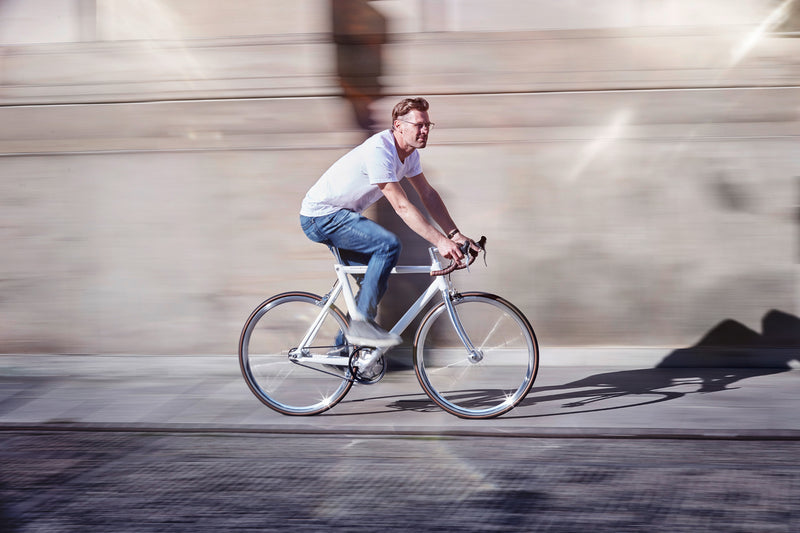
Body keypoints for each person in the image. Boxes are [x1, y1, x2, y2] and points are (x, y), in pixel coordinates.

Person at [299, 97, 476, 365]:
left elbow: (427, 194)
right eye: (419, 125)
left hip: (343, 216)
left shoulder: (410, 155)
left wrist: (454, 234)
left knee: (373, 282)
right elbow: (401, 205)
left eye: (428, 124)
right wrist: (439, 241)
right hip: (321, 216)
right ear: (398, 126)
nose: (425, 130)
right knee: (388, 245)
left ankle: (341, 351)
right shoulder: (379, 151)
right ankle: (361, 327)